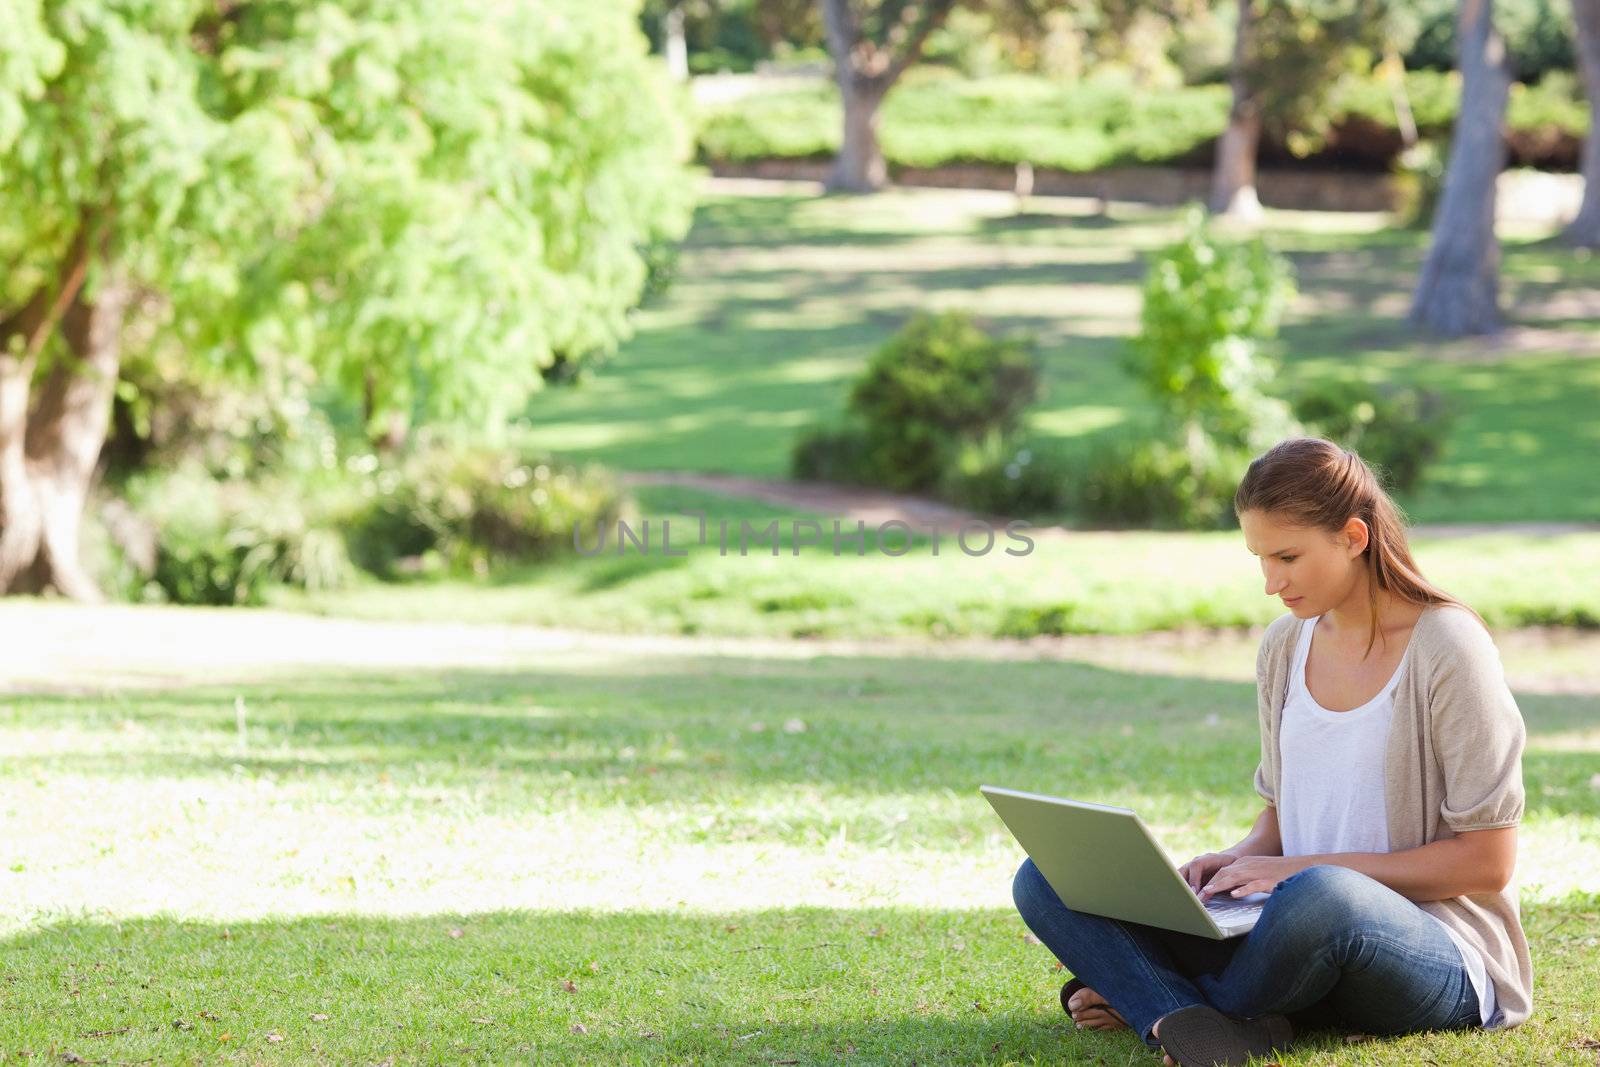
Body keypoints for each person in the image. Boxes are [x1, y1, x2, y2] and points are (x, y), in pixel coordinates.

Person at [1011, 437, 1532, 1067]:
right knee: (1050, 876)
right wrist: (1229, 863)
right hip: (1286, 934)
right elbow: (1284, 819)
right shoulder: (1285, 645)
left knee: (1324, 897)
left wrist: (1298, 872)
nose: (1271, 583)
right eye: (1260, 558)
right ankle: (1207, 1017)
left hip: (1429, 952)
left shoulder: (1448, 647)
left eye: (1288, 556)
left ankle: (1152, 1000)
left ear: (1354, 537)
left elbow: (1486, 863)